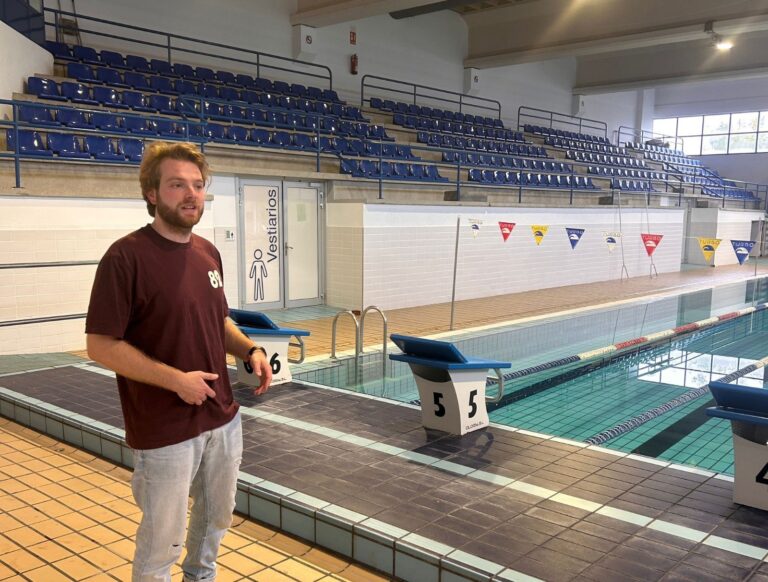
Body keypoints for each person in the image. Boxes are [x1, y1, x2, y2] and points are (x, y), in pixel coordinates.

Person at [85, 141, 272, 582]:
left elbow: (216, 318)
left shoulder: (208, 252)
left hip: (222, 417)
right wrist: (176, 382)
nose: (191, 194)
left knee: (215, 522)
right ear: (152, 193)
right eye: (176, 185)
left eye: (197, 185)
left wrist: (250, 350)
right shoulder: (125, 257)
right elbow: (100, 345)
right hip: (165, 428)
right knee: (162, 541)